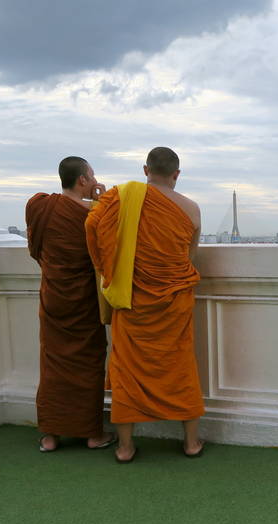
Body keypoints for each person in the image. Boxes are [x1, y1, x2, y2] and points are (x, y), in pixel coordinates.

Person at [85, 147, 205, 463]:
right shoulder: (191, 209)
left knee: (126, 370)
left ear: (145, 170)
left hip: (132, 300)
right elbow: (189, 256)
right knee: (180, 367)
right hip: (174, 302)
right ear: (176, 174)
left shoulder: (119, 199)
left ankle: (125, 448)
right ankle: (191, 443)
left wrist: (109, 269)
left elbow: (93, 229)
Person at [25, 156, 116, 452]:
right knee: (88, 362)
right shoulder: (95, 212)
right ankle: (93, 435)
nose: (93, 180)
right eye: (91, 175)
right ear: (82, 180)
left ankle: (51, 436)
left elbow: (35, 249)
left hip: (54, 295)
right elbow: (105, 250)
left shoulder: (39, 205)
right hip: (83, 298)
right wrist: (99, 199)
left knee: (53, 364)